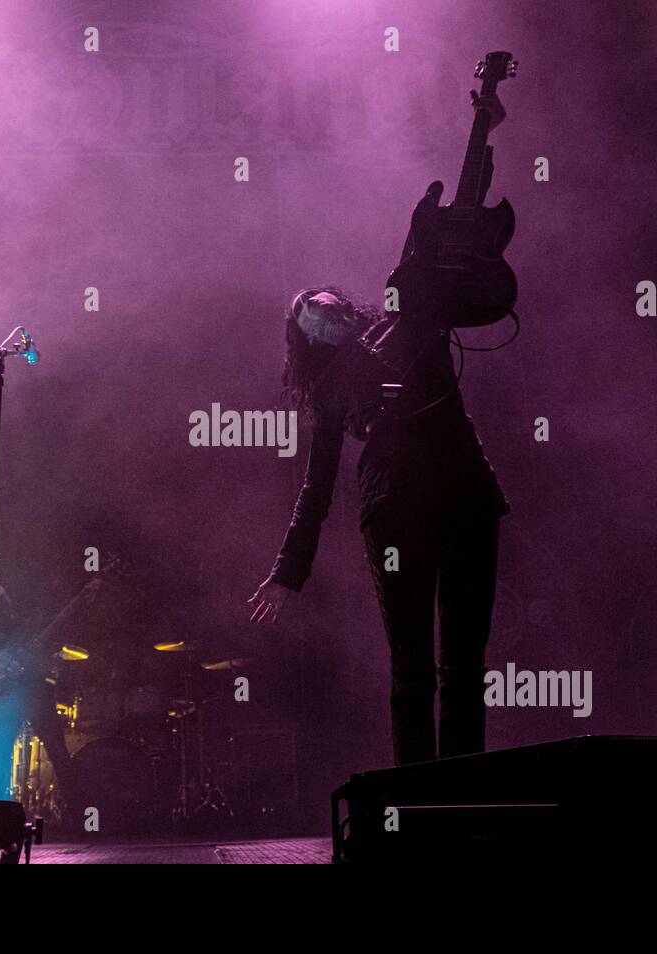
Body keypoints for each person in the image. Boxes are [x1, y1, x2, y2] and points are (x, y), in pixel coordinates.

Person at [247, 96, 511, 765]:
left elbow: (450, 243)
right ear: (303, 335)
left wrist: (482, 135)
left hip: (466, 492)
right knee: (412, 665)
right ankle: (417, 802)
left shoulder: (412, 315)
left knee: (465, 662)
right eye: (307, 313)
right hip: (395, 511)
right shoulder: (330, 388)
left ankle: (465, 796)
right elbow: (316, 487)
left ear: (346, 303)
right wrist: (287, 572)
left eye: (325, 300)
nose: (320, 308)